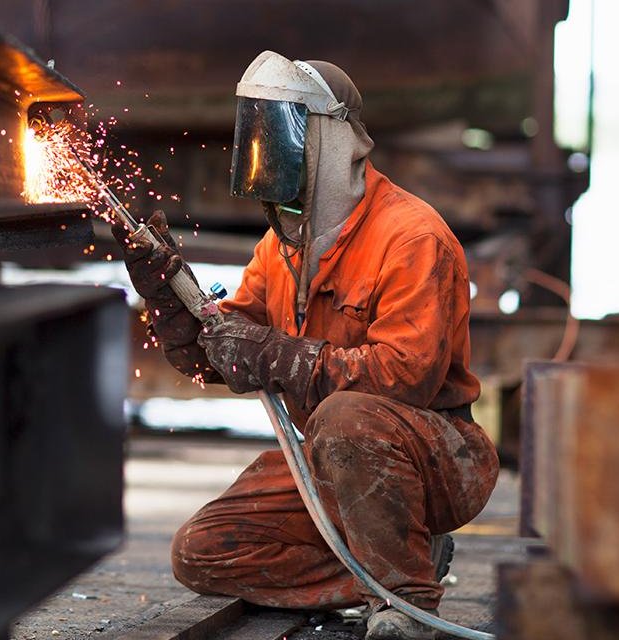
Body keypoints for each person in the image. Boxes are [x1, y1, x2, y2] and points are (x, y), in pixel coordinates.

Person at [112, 51, 499, 640]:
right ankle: (396, 557)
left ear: (331, 140)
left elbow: (406, 378)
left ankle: (405, 602)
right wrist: (168, 299)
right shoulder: (280, 248)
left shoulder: (413, 236)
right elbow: (219, 354)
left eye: (280, 135)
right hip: (330, 462)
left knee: (348, 417)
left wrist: (275, 355)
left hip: (437, 458)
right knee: (201, 551)